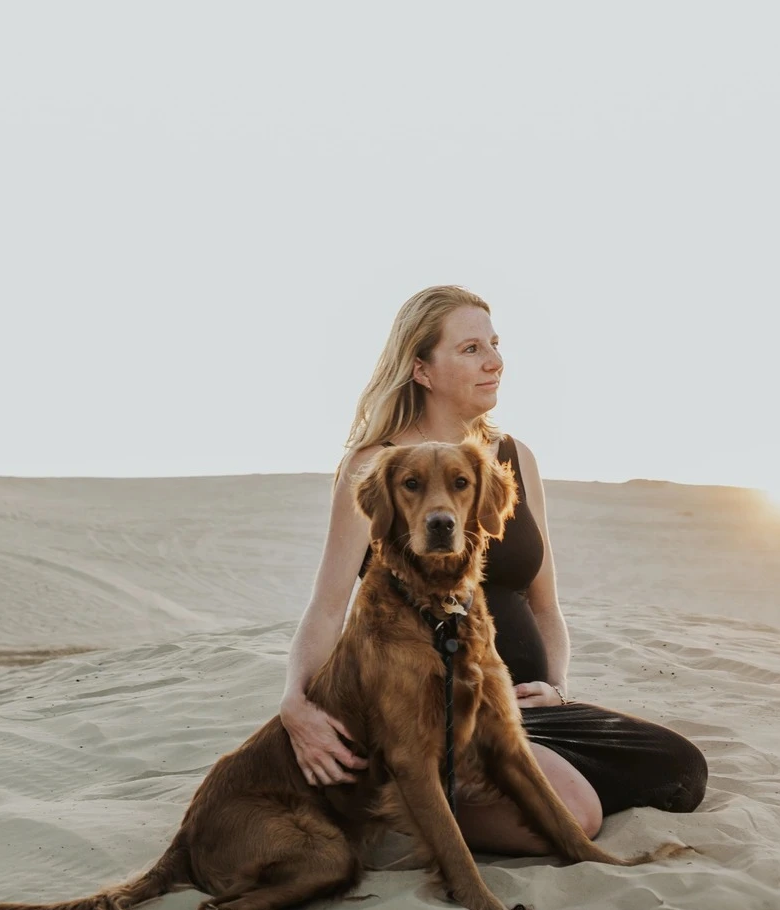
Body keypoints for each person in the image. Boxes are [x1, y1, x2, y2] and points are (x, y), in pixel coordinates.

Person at [279, 284, 707, 855]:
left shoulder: (514, 458)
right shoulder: (377, 466)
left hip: (522, 708)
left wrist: (556, 687)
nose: (495, 362)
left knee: (681, 770)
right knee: (578, 817)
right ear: (422, 369)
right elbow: (328, 605)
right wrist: (296, 704)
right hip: (432, 711)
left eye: (495, 344)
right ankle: (404, 799)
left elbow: (545, 605)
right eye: (471, 349)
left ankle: (475, 788)